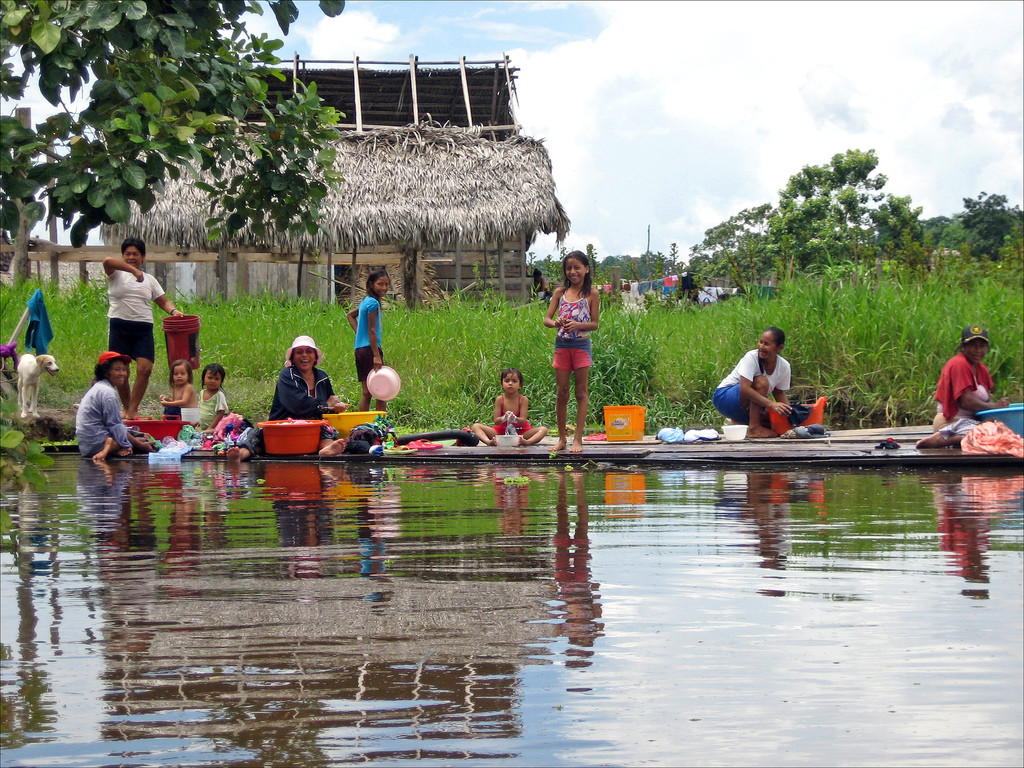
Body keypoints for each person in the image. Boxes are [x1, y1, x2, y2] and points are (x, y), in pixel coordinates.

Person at [228, 335, 348, 462]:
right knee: (258, 436)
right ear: (293, 358)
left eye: (309, 351)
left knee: (327, 432)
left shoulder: (322, 376)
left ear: (315, 357)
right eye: (299, 352)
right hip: (284, 425)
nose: (304, 355)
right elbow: (298, 405)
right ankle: (240, 455)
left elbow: (329, 404)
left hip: (312, 428)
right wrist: (327, 403)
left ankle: (327, 449)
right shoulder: (287, 375)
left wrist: (336, 407)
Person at [103, 237, 183, 419]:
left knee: (145, 369)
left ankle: (133, 408)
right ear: (123, 256)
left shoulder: (150, 280)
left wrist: (174, 311)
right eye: (128, 254)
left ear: (143, 257)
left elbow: (162, 300)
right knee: (121, 370)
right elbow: (107, 261)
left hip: (143, 328)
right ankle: (126, 407)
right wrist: (132, 270)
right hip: (119, 325)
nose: (131, 257)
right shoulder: (115, 274)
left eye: (136, 254)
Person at [916, 325, 1010, 450]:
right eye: (973, 346)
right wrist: (995, 406)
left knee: (1005, 432)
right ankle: (950, 438)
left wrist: (999, 410)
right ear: (962, 347)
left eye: (981, 346)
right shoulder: (959, 364)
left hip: (972, 423)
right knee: (992, 436)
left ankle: (965, 435)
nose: (978, 350)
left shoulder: (980, 368)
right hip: (952, 423)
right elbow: (966, 402)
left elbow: (984, 403)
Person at [544, 250, 601, 453]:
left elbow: (594, 324)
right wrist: (556, 322)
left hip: (581, 347)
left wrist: (577, 325)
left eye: (577, 267)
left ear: (586, 269)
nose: (572, 271)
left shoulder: (592, 294)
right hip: (562, 346)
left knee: (581, 392)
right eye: (569, 268)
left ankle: (578, 439)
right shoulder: (560, 292)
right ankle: (561, 439)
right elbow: (547, 319)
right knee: (562, 393)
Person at [75, 351, 157, 463]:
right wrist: (141, 446)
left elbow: (114, 425)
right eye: (117, 369)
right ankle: (112, 447)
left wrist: (136, 434)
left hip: (88, 443)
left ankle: (115, 447)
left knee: (140, 438)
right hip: (95, 445)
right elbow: (115, 426)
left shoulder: (100, 387)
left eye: (124, 369)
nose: (122, 373)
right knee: (139, 443)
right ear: (105, 372)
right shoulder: (108, 393)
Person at [713, 327, 793, 439]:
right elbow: (745, 389)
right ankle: (754, 427)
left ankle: (741, 422)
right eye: (761, 342)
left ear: (779, 348)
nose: (761, 346)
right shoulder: (751, 357)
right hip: (725, 397)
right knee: (761, 381)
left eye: (767, 344)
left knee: (773, 424)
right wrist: (771, 404)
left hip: (745, 403)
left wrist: (790, 417)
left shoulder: (784, 366)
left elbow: (778, 393)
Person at [471, 367, 550, 446]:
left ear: (520, 385)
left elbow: (523, 421)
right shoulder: (500, 399)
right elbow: (496, 421)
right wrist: (504, 418)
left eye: (514, 381)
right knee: (476, 426)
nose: (510, 383)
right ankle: (489, 442)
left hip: (521, 433)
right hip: (501, 432)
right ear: (502, 384)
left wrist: (515, 419)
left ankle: (527, 442)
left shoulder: (523, 400)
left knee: (543, 429)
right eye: (507, 381)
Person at [348, 269, 391, 411]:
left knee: (367, 392)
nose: (384, 288)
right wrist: (376, 356)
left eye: (386, 284)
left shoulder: (365, 301)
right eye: (380, 284)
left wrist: (360, 334)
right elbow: (372, 330)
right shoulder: (373, 304)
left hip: (360, 349)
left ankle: (364, 426)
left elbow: (350, 315)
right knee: (381, 391)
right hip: (370, 350)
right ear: (371, 284)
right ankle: (380, 425)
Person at [197, 363, 229, 433]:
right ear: (204, 378)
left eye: (216, 379)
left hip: (214, 427)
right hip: (202, 426)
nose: (212, 381)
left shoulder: (219, 395)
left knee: (217, 431)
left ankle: (206, 431)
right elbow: (200, 408)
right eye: (210, 378)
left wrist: (211, 427)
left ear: (221, 381)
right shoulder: (202, 392)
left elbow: (220, 413)